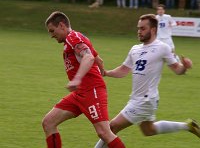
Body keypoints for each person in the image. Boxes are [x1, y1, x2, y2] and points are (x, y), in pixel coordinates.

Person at [95, 14, 200, 148]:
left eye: (143, 28)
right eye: (138, 28)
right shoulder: (135, 49)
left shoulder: (162, 48)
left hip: (145, 100)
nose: (139, 31)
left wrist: (185, 67)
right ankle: (188, 126)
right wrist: (106, 73)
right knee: (148, 130)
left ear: (153, 30)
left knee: (111, 127)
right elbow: (123, 70)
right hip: (138, 98)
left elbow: (177, 70)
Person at [42, 11, 126, 148]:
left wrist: (77, 79)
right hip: (79, 93)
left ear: (62, 25)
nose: (51, 35)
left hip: (92, 91)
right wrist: (102, 71)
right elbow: (98, 58)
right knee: (48, 122)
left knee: (104, 132)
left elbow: (89, 57)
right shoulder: (76, 38)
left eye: (52, 30)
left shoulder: (72, 37)